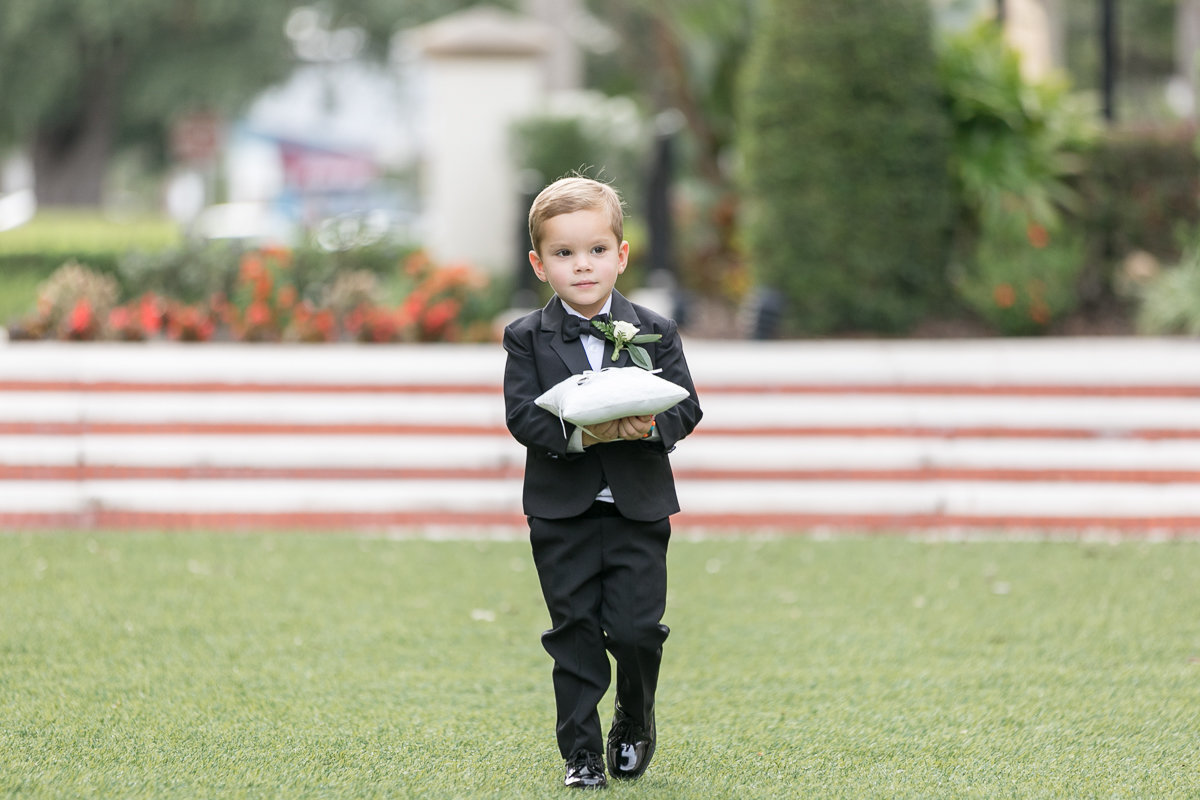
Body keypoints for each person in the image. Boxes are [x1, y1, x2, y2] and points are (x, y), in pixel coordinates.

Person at [502, 176, 703, 789]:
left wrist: (641, 430)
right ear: (540, 264)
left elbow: (685, 408)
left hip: (637, 508)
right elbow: (523, 416)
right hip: (561, 513)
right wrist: (586, 436)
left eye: (595, 251)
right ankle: (581, 752)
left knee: (638, 629)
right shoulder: (526, 338)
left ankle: (635, 721)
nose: (581, 266)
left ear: (621, 255)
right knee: (575, 632)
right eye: (563, 254)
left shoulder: (656, 331)